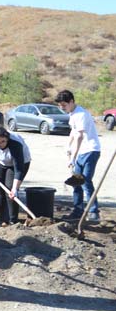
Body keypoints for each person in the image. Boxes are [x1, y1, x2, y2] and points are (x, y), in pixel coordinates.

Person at [55, 90, 101, 221]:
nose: (62, 108)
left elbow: (80, 136)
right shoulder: (72, 114)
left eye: (64, 105)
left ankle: (94, 212)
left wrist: (73, 157)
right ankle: (78, 210)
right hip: (81, 152)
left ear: (71, 101)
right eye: (60, 105)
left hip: (90, 150)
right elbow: (73, 133)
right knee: (76, 182)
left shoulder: (81, 114)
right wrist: (68, 146)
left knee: (85, 181)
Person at [0, 126, 31, 227]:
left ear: (7, 138)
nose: (0, 144)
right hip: (0, 162)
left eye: (3, 141)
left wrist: (14, 188)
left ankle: (13, 220)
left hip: (18, 164)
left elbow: (18, 169)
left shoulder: (15, 144)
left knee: (9, 190)